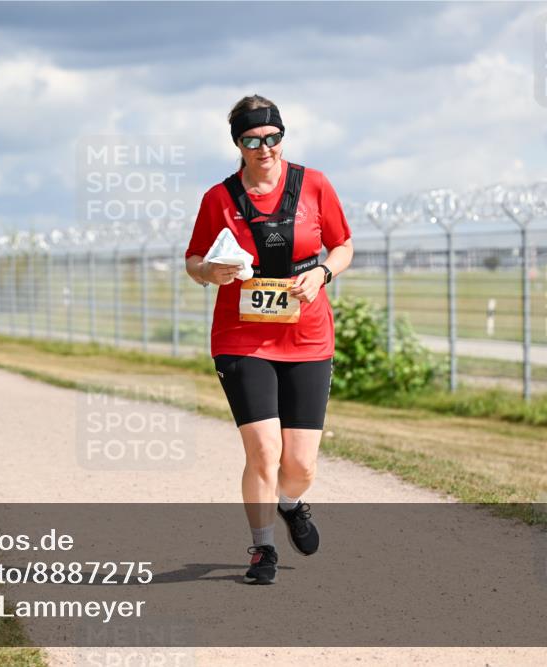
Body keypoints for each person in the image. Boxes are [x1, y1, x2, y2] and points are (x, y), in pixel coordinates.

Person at [184, 95, 354, 585]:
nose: (266, 148)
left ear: (282, 135)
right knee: (263, 452)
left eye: (273, 137)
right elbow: (193, 260)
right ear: (238, 143)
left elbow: (343, 246)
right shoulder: (219, 198)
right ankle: (262, 549)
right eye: (253, 140)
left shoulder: (314, 185)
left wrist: (322, 273)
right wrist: (208, 272)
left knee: (299, 464)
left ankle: (291, 502)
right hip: (241, 338)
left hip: (308, 334)